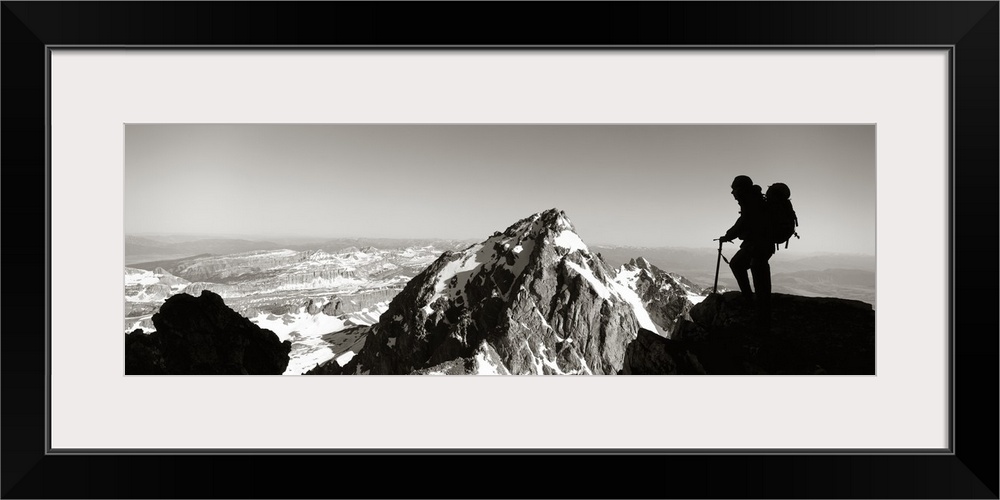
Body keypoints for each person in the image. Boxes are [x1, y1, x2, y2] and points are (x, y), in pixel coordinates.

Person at [719, 175, 774, 331]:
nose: (732, 193)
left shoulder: (752, 202)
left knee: (754, 271)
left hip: (758, 246)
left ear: (741, 189)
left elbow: (743, 223)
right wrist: (729, 235)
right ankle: (756, 305)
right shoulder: (753, 200)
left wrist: (728, 236)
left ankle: (760, 314)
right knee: (744, 266)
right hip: (758, 245)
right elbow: (744, 223)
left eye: (734, 189)